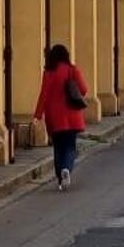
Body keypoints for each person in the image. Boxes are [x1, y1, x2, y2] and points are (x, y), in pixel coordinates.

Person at [33, 44, 88, 191]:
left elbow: (43, 95)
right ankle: (66, 169)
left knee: (58, 148)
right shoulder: (72, 70)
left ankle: (59, 178)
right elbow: (83, 89)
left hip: (54, 117)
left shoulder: (49, 73)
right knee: (70, 147)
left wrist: (37, 115)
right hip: (71, 115)